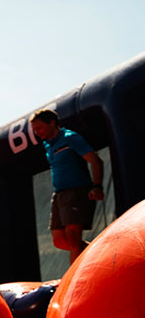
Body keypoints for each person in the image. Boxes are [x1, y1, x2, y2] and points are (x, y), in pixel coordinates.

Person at [29, 109, 105, 264]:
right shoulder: (47, 145)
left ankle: (73, 283)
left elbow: (96, 161)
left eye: (39, 128)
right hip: (59, 195)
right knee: (59, 241)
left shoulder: (70, 138)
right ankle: (100, 252)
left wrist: (97, 186)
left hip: (76, 191)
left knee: (72, 237)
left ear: (52, 123)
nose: (37, 133)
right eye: (34, 130)